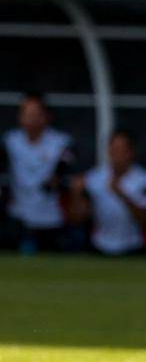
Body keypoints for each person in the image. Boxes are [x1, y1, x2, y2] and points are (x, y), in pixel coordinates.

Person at [2, 93, 75, 253]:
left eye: (35, 113)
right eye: (26, 113)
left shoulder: (61, 141)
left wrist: (56, 179)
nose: (31, 119)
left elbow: (66, 165)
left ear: (46, 116)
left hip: (50, 217)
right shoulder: (10, 141)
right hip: (18, 216)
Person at [75, 129, 146, 256]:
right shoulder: (95, 177)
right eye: (113, 150)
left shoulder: (144, 179)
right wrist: (76, 194)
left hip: (133, 247)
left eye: (121, 151)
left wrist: (121, 194)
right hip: (99, 246)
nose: (116, 155)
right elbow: (78, 218)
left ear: (131, 152)